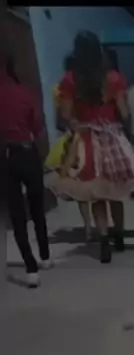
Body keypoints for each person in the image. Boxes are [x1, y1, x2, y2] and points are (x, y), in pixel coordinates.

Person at [45, 31, 134, 264]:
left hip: (86, 141)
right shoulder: (114, 78)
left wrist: (78, 124)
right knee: (116, 191)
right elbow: (124, 113)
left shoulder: (70, 80)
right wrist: (127, 135)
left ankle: (104, 240)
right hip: (113, 138)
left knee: (96, 195)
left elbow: (65, 116)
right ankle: (119, 237)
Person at [0, 54, 52, 287]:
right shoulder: (24, 93)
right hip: (27, 152)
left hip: (6, 155)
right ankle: (45, 256)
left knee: (17, 214)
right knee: (37, 206)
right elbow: (38, 126)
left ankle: (31, 268)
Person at [46, 53, 93, 242]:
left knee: (80, 185)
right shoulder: (89, 85)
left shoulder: (60, 88)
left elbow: (60, 119)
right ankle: (101, 227)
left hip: (75, 138)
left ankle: (88, 227)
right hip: (91, 137)